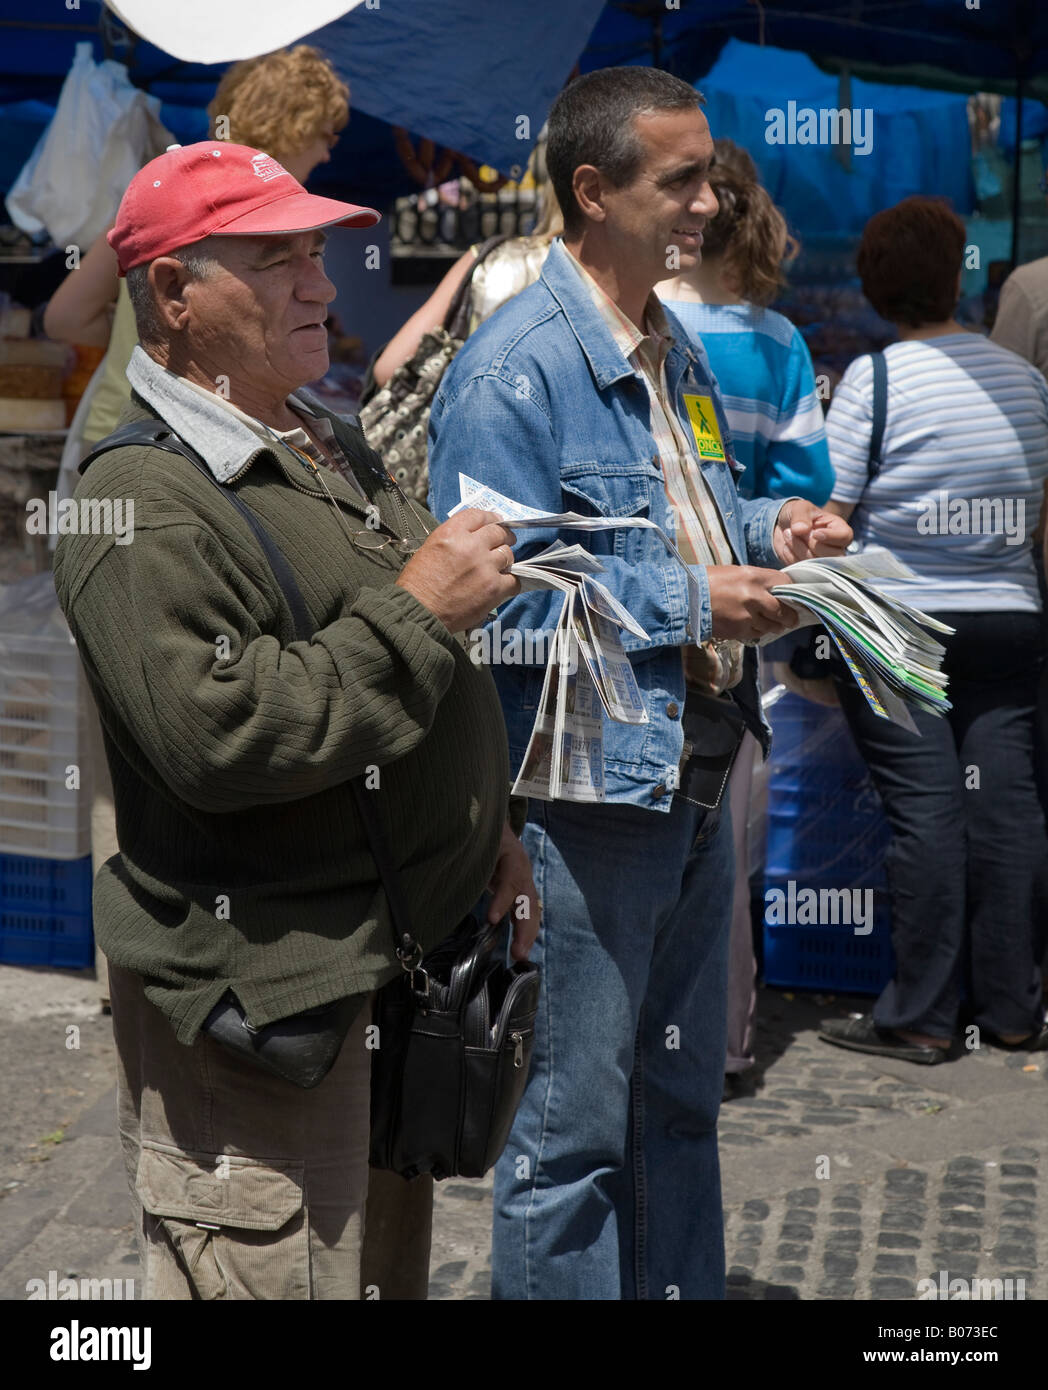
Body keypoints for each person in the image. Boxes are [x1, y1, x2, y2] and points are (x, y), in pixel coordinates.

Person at [51, 141, 538, 1301]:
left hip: (376, 974)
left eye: (316, 253)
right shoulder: (134, 500)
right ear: (172, 294)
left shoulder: (321, 436)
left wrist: (488, 828)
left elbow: (388, 667)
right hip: (263, 1009)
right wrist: (423, 608)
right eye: (278, 262)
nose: (321, 284)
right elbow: (222, 735)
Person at [427, 66, 852, 1300]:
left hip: (688, 767)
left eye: (709, 175)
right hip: (582, 808)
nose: (710, 203)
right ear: (591, 191)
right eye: (682, 179)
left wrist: (776, 530)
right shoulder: (514, 371)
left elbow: (692, 513)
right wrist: (692, 601)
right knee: (568, 1139)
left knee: (675, 1111)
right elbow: (489, 610)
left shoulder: (669, 346)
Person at [817, 196, 1048, 1063]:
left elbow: (832, 522)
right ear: (961, 276)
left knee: (929, 813)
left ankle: (921, 1016)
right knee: (1008, 809)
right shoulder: (1027, 384)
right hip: (1010, 624)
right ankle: (1016, 1010)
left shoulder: (872, 384)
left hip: (903, 626)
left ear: (876, 288)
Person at [657, 138, 833, 1099]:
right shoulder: (779, 341)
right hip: (742, 620)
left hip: (642, 617)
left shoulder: (639, 326)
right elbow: (806, 490)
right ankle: (720, 1041)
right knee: (730, 835)